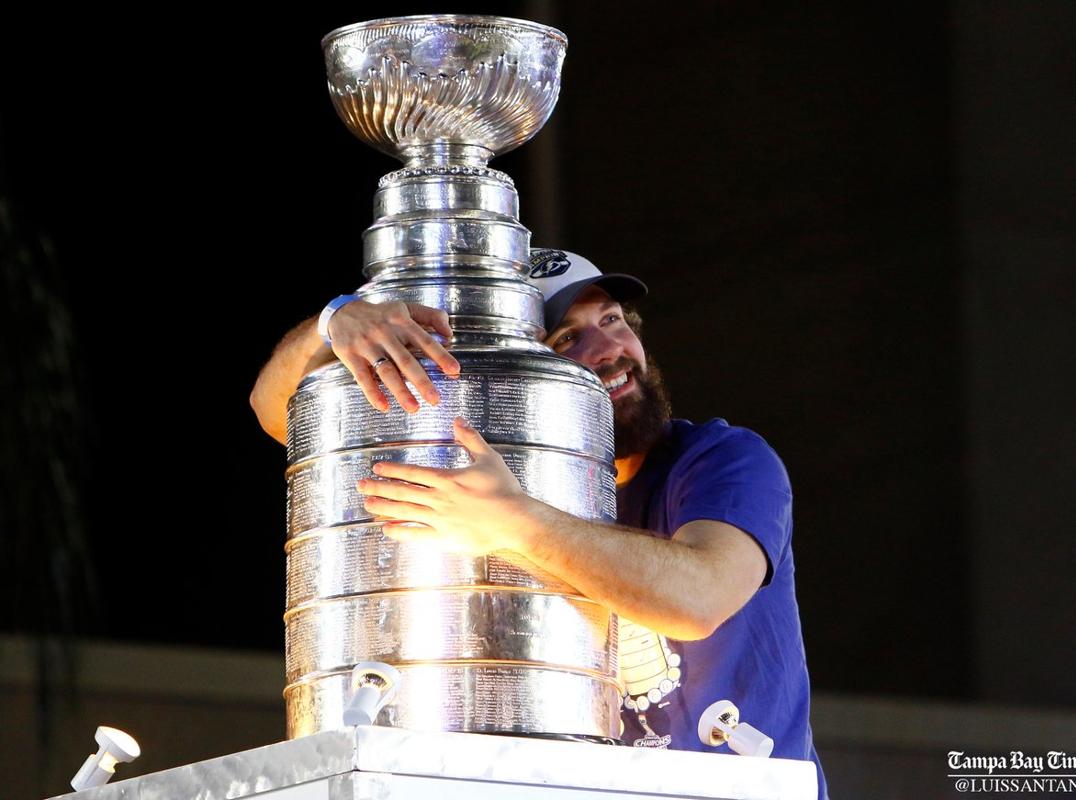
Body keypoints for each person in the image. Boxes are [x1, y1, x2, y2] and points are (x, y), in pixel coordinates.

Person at [250, 249, 828, 799]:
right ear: (520, 374)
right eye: (569, 337)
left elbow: (696, 598)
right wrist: (335, 322)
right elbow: (281, 411)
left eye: (614, 319)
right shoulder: (482, 478)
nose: (611, 348)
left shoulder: (721, 459)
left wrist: (514, 522)